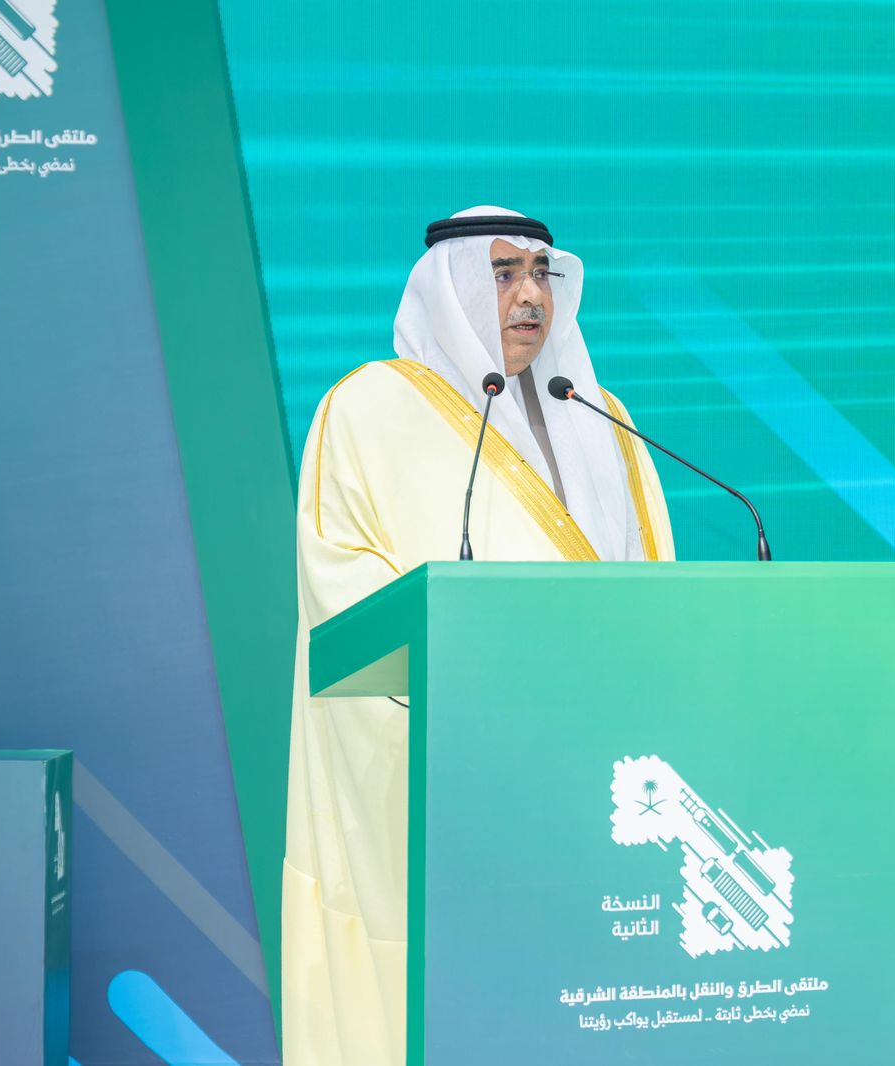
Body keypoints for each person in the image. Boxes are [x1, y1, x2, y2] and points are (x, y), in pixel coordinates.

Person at [281, 206, 674, 1064]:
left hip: (592, 773)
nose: (531, 295)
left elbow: (652, 587)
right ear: (452, 290)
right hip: (445, 769)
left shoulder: (600, 415)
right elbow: (340, 591)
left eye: (540, 273)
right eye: (503, 275)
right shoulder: (366, 410)